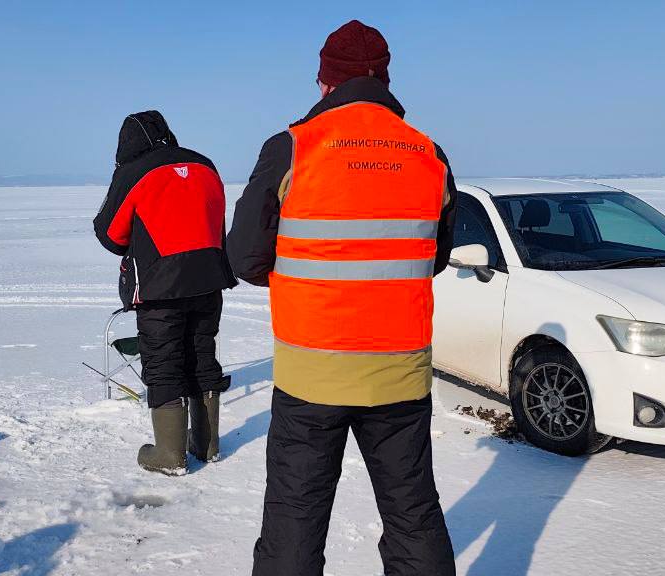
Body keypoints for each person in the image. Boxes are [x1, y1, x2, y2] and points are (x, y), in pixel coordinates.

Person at [227, 20, 458, 576]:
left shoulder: (293, 147)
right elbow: (435, 257)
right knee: (412, 515)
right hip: (399, 371)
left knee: (293, 521)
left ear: (325, 83)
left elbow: (244, 258)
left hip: (312, 373)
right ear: (384, 78)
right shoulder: (429, 152)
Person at [94, 110, 237, 475]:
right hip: (209, 277)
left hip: (160, 285)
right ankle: (207, 445)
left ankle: (169, 455)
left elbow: (110, 234)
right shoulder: (205, 164)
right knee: (202, 354)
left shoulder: (134, 172)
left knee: (163, 361)